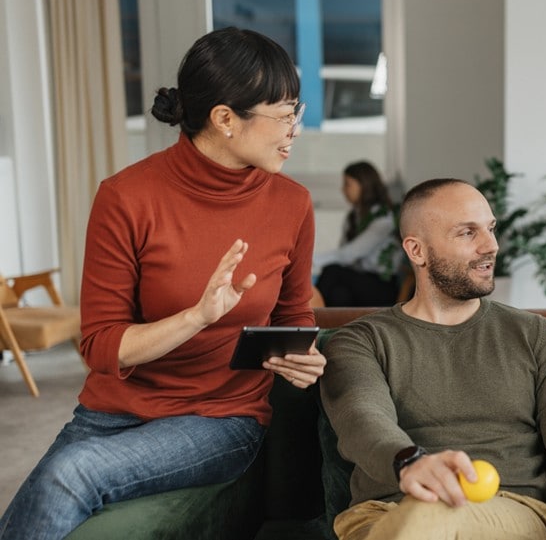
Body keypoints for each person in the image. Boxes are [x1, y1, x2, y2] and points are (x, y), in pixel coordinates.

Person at [0, 27, 327, 540]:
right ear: (225, 119)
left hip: (221, 418)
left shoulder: (292, 204)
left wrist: (302, 357)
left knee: (71, 473)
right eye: (285, 115)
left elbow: (293, 315)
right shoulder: (126, 197)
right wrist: (197, 316)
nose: (295, 129)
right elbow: (101, 346)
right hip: (111, 413)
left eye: (297, 112)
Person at [320, 178, 546, 540]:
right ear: (417, 250)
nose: (491, 246)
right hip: (385, 514)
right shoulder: (360, 341)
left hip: (509, 509)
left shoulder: (535, 335)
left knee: (436, 515)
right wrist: (413, 463)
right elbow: (363, 420)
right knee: (427, 514)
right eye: (468, 233)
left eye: (491, 228)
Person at [314, 160, 405, 306]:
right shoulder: (353, 216)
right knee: (339, 294)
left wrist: (309, 260)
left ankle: (308, 316)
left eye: (347, 184)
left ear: (364, 185)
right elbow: (345, 256)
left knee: (332, 271)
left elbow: (349, 254)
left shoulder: (383, 217)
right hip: (359, 282)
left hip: (381, 286)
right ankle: (328, 326)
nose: (343, 190)